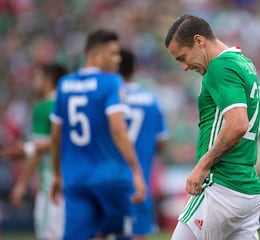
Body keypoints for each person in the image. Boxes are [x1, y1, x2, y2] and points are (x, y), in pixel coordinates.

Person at [164, 15, 260, 240]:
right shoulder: (243, 62)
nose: (183, 67)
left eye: (182, 57)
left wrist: (202, 166)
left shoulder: (220, 66)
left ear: (199, 41)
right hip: (246, 188)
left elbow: (238, 124)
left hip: (221, 184)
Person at [50, 29, 146, 240]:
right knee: (122, 233)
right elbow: (118, 128)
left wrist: (57, 173)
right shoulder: (111, 82)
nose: (118, 59)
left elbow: (56, 136)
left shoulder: (64, 85)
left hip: (75, 179)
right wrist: (136, 170)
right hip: (110, 177)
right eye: (113, 53)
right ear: (94, 55)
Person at [0, 63, 67, 240]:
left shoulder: (44, 107)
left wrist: (22, 183)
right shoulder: (68, 105)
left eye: (38, 78)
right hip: (73, 183)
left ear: (49, 80)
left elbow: (37, 150)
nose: (34, 82)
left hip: (51, 185)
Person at [119, 49, 169, 240]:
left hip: (112, 177)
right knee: (139, 233)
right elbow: (161, 141)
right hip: (141, 179)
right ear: (135, 69)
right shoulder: (151, 100)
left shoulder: (110, 98)